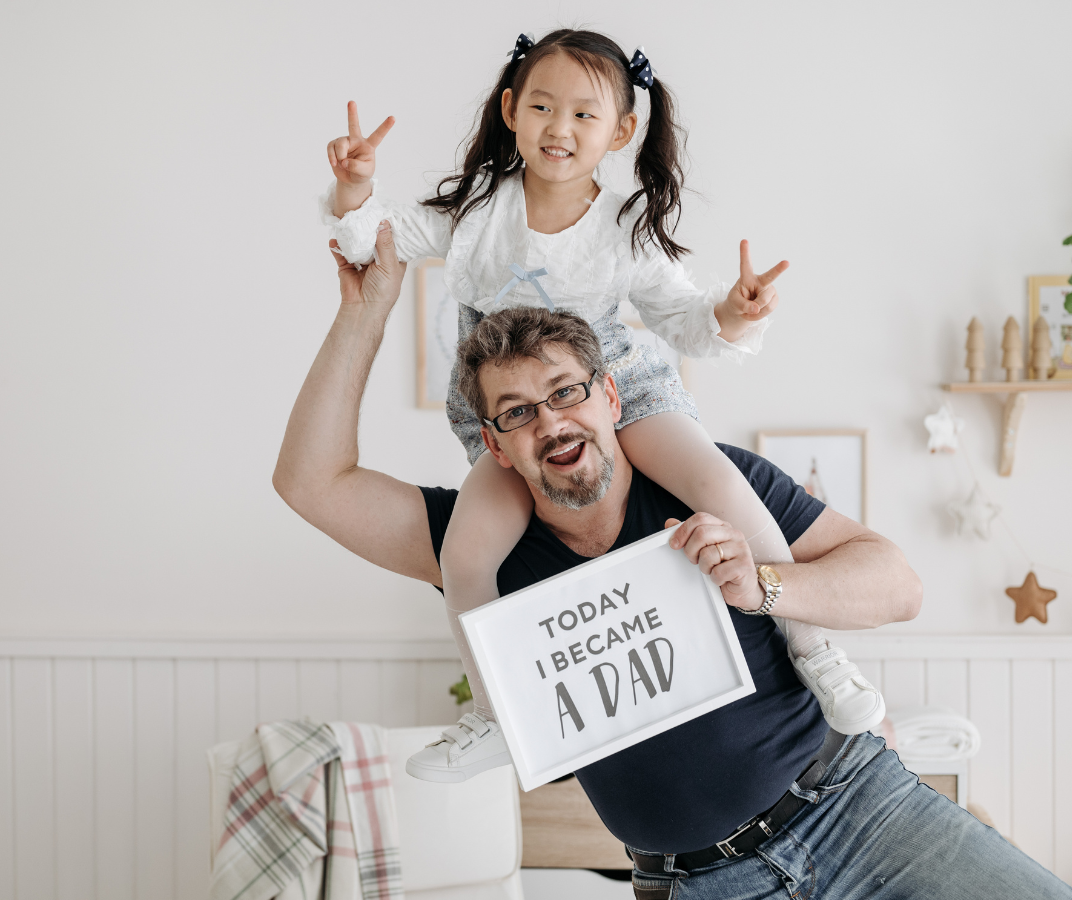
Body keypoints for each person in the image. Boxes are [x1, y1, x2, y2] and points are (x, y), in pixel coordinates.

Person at [271, 227, 1072, 899]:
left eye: (566, 392)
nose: (550, 422)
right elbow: (311, 483)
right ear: (496, 446)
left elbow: (899, 586)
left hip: (858, 808)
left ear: (611, 398)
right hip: (699, 883)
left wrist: (764, 584)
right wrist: (364, 310)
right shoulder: (474, 545)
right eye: (518, 412)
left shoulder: (712, 484)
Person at [322, 28, 881, 779]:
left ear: (620, 132)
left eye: (585, 114)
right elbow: (373, 240)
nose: (560, 127)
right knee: (465, 552)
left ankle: (815, 650)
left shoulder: (624, 228)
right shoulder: (479, 210)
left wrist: (734, 312)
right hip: (513, 411)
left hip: (618, 386)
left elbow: (685, 318)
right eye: (543, 106)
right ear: (511, 110)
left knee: (719, 483)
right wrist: (354, 186)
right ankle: (493, 715)